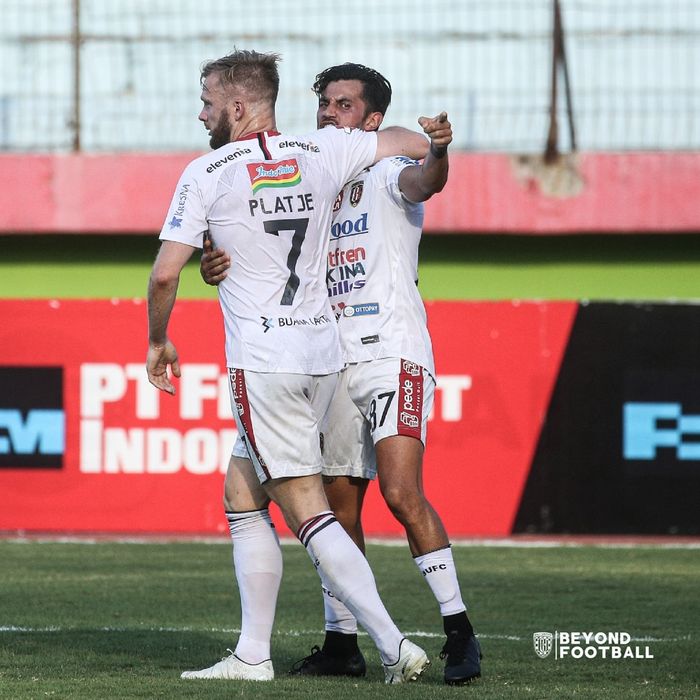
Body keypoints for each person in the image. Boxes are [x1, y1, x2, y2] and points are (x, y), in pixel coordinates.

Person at [147, 49, 450, 684]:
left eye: (207, 102)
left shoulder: (206, 172)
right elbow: (404, 144)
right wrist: (430, 140)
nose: (200, 114)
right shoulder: (324, 151)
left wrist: (158, 340)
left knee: (309, 513)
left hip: (266, 363)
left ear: (236, 106)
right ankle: (252, 653)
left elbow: (164, 273)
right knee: (240, 492)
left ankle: (394, 646)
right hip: (326, 358)